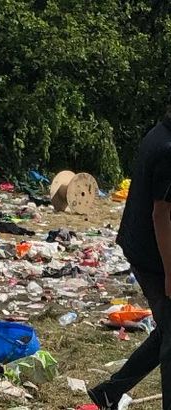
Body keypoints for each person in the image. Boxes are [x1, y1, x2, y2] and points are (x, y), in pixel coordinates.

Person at [88, 96, 171, 410]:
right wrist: (170, 273)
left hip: (143, 244)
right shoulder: (168, 148)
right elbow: (160, 215)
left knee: (166, 329)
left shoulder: (159, 131)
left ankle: (108, 393)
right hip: (154, 256)